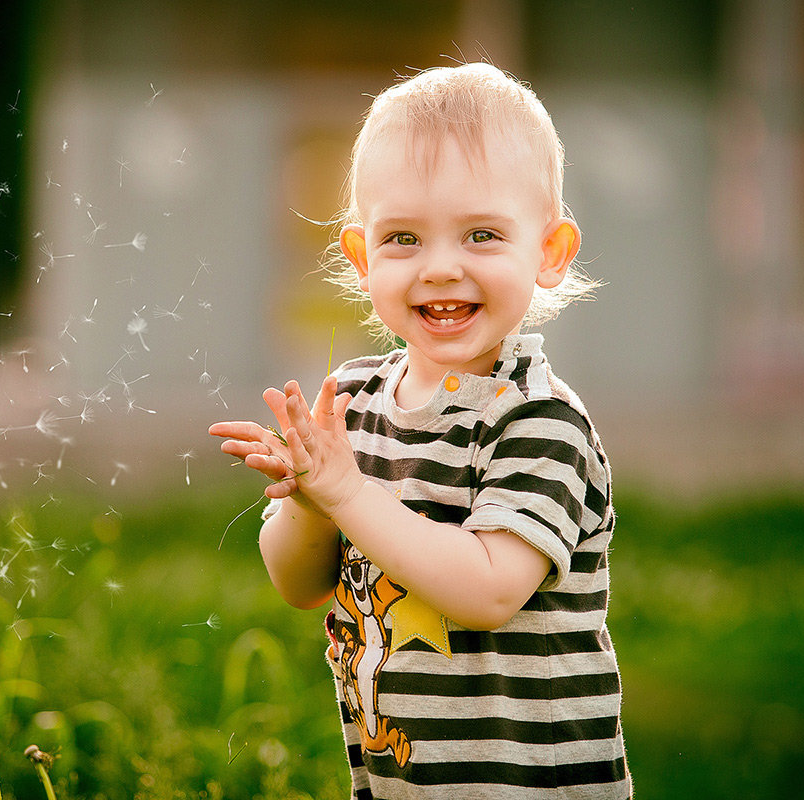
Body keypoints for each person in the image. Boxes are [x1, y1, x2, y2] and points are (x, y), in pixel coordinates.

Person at [209, 61, 630, 799]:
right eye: (403, 238)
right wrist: (310, 501)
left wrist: (346, 494)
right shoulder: (354, 404)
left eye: (481, 235)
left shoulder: (536, 420)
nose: (440, 268)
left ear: (550, 253)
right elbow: (299, 584)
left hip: (530, 784)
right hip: (401, 778)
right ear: (363, 258)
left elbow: (489, 589)